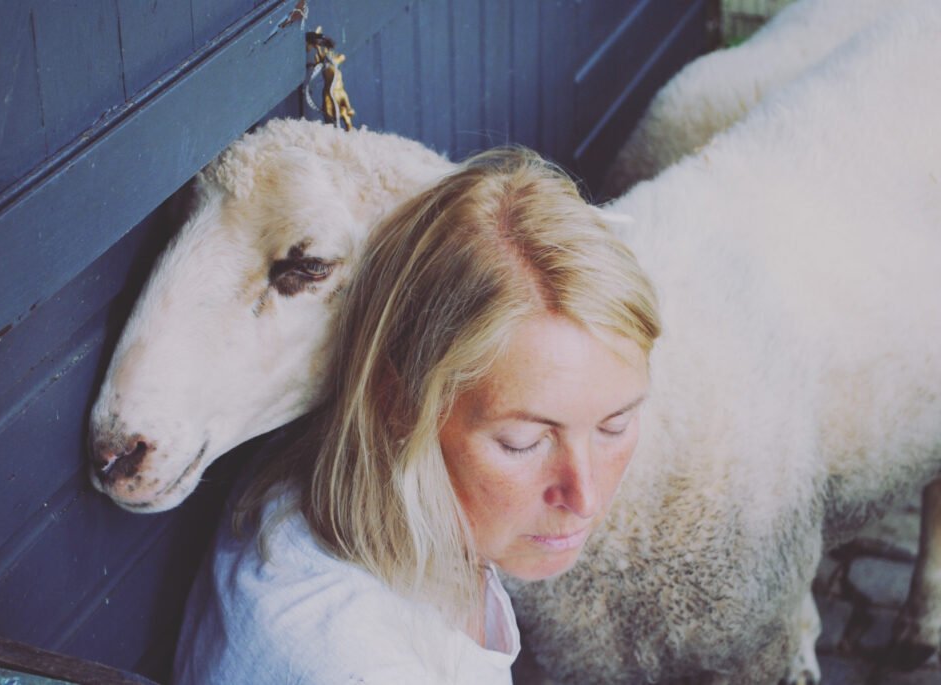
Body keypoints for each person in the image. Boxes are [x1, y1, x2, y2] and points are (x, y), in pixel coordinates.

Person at [173, 147, 661, 684]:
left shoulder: (367, 484)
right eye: (523, 442)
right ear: (399, 401)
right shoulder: (350, 663)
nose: (585, 497)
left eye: (614, 426)